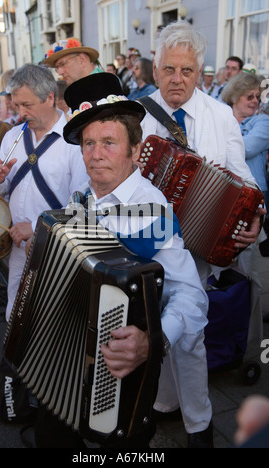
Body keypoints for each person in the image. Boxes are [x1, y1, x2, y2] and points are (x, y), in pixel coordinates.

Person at [32, 72, 211, 449]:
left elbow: (192, 298)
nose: (95, 155)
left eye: (109, 142)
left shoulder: (151, 211)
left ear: (134, 148)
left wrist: (153, 342)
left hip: (124, 374)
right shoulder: (80, 198)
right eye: (88, 143)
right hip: (70, 361)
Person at [140, 20, 265, 445]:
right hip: (146, 245)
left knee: (190, 332)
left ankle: (199, 424)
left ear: (201, 73)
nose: (178, 79)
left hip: (197, 249)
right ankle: (164, 402)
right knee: (152, 325)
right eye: (169, 70)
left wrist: (254, 219)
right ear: (154, 71)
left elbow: (245, 182)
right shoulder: (135, 117)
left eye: (187, 71)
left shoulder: (220, 116)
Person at [0, 64, 88, 322]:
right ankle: (13, 361)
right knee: (15, 309)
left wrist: (35, 227)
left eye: (27, 105)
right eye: (16, 105)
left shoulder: (75, 141)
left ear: (50, 97)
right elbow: (2, 189)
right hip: (18, 245)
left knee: (51, 314)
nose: (20, 113)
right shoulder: (12, 137)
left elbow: (81, 204)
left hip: (55, 245)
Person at [221, 72, 269, 199]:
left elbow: (246, 148)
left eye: (257, 97)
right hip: (223, 188)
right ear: (235, 97)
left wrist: (218, 142)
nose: (255, 101)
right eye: (249, 96)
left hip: (252, 191)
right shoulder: (222, 119)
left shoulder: (263, 122)